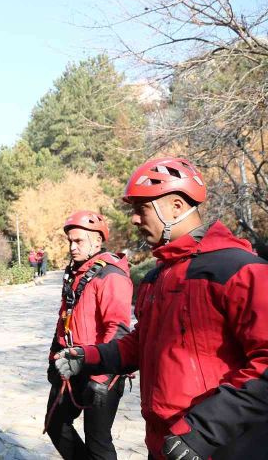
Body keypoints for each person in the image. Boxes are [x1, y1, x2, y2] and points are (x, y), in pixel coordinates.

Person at [54, 157, 268, 460]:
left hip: (218, 446)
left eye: (142, 209)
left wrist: (202, 431)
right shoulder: (159, 276)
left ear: (177, 206)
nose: (134, 220)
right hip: (166, 443)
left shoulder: (239, 270)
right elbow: (143, 343)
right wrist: (90, 357)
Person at [45, 210, 133, 460]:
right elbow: (64, 320)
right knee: (55, 425)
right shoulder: (76, 272)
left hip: (101, 370)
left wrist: (102, 377)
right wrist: (53, 358)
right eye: (70, 241)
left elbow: (117, 329)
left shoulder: (111, 275)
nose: (72, 247)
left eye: (78, 241)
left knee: (98, 444)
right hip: (71, 364)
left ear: (97, 240)